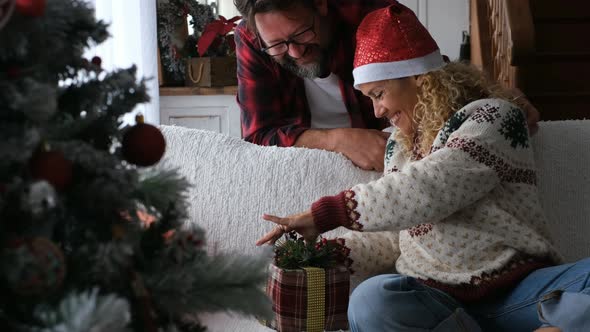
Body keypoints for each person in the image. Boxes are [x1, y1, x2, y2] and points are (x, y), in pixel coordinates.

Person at [256, 3, 590, 332]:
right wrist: (316, 255)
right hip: (437, 305)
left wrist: (324, 214)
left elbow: (432, 186)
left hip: (521, 293)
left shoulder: (494, 117)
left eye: (379, 93)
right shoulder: (398, 148)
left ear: (418, 78)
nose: (376, 111)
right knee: (371, 300)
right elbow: (392, 241)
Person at [233, 0, 540, 172]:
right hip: (310, 166)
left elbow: (430, 80)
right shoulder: (252, 40)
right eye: (278, 46)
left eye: (301, 33)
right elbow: (259, 135)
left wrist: (496, 98)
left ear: (321, 4)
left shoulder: (373, 14)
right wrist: (338, 140)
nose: (295, 52)